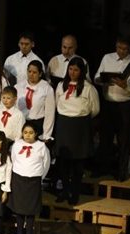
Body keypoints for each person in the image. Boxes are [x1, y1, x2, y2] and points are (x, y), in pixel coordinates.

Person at [94, 36, 130, 181]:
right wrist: (102, 80)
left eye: (125, 49)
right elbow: (97, 77)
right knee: (105, 138)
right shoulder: (107, 58)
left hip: (125, 105)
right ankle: (103, 169)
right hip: (108, 103)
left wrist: (125, 85)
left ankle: (121, 173)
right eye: (119, 48)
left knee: (123, 140)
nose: (121, 51)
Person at [54, 58, 99, 205]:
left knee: (78, 163)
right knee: (63, 161)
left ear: (82, 72)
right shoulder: (61, 85)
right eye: (71, 69)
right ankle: (65, 190)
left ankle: (75, 193)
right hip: (64, 124)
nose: (73, 72)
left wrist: (80, 117)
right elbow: (57, 103)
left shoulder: (88, 88)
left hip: (80, 126)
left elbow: (95, 109)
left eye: (76, 70)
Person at [7, 123, 50, 234]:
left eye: (31, 133)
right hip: (18, 180)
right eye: (25, 132)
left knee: (31, 211)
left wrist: (38, 177)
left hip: (33, 181)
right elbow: (13, 159)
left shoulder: (41, 146)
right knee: (19, 210)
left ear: (36, 134)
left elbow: (46, 164)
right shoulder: (17, 144)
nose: (28, 135)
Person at [15, 60, 55, 141]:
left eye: (34, 72)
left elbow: (50, 114)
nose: (31, 74)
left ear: (40, 74)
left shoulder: (47, 88)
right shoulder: (18, 87)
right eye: (29, 71)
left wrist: (46, 134)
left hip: (37, 125)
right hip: (21, 123)